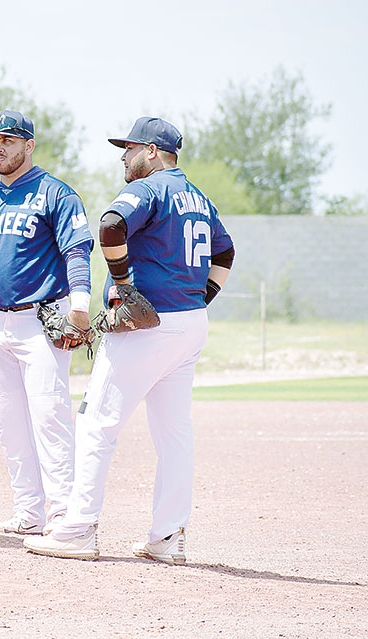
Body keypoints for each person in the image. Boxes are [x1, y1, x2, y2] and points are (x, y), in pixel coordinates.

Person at [24, 117, 235, 563]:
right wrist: (202, 298)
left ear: (153, 152)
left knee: (97, 422)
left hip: (146, 327)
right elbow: (226, 252)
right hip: (189, 323)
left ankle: (78, 529)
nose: (124, 155)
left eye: (131, 148)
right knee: (174, 431)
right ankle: (168, 537)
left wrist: (120, 282)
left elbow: (111, 225)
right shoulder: (198, 197)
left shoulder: (152, 188)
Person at [0, 110, 93, 536]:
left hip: (39, 321)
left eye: (8, 139)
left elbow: (77, 249)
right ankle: (29, 510)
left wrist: (79, 303)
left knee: (50, 416)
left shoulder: (54, 194)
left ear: (28, 145)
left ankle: (63, 511)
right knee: (9, 422)